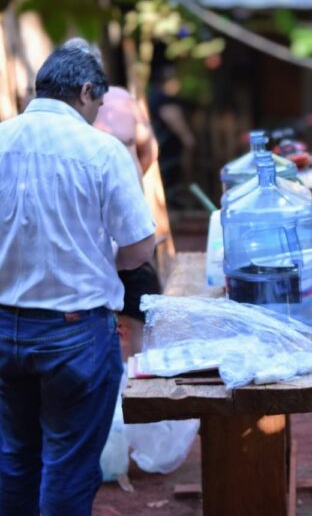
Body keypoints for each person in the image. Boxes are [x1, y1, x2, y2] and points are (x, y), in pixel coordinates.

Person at [0, 44, 156, 514]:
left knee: (13, 460)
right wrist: (97, 264)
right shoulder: (101, 150)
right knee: (68, 467)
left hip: (5, 329)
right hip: (75, 334)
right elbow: (139, 249)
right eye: (97, 104)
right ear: (86, 91)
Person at [94, 86, 162, 360]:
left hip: (129, 226)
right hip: (91, 232)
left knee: (140, 302)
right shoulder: (61, 118)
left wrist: (128, 189)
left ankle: (139, 380)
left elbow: (149, 150)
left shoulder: (122, 100)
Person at [148, 64, 195, 204]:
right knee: (170, 180)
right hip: (166, 147)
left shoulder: (153, 96)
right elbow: (172, 117)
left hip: (160, 146)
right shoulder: (164, 98)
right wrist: (187, 137)